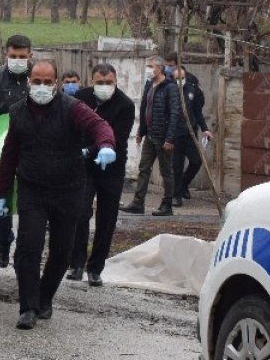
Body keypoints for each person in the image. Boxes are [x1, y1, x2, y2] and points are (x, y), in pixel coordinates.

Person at [0, 60, 117, 330]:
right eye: (37, 81)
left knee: (62, 251)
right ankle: (28, 307)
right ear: (29, 82)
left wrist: (106, 144)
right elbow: (9, 155)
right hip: (32, 188)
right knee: (29, 246)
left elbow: (99, 125)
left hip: (68, 189)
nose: (41, 86)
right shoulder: (18, 112)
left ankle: (45, 297)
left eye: (47, 82)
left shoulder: (72, 108)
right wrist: (2, 194)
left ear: (56, 83)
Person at [68, 64, 135, 286]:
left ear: (115, 82)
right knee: (80, 213)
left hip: (111, 166)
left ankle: (95, 268)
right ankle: (76, 263)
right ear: (91, 81)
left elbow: (117, 138)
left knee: (107, 219)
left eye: (109, 83)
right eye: (100, 82)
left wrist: (90, 151)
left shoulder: (125, 105)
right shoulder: (81, 98)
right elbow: (73, 128)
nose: (104, 86)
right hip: (84, 167)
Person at [0, 34, 32, 268]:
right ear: (6, 54)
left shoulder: (38, 78)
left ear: (30, 55)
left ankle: (24, 250)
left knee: (30, 203)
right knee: (1, 200)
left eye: (22, 56)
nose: (18, 60)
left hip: (32, 148)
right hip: (1, 149)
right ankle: (4, 241)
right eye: (14, 56)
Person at [122, 55, 181, 217]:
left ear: (160, 69)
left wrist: (169, 138)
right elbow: (144, 108)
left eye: (151, 66)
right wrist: (141, 131)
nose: (148, 69)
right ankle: (138, 203)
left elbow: (175, 113)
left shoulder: (170, 87)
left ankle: (167, 204)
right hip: (149, 134)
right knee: (143, 168)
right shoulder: (149, 84)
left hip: (163, 136)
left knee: (166, 171)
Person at [169, 62, 212, 207]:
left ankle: (183, 184)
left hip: (190, 133)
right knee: (177, 166)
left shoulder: (192, 89)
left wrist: (204, 129)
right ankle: (176, 196)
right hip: (175, 134)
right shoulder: (170, 91)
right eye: (177, 78)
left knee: (196, 161)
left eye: (182, 78)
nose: (180, 81)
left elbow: (198, 112)